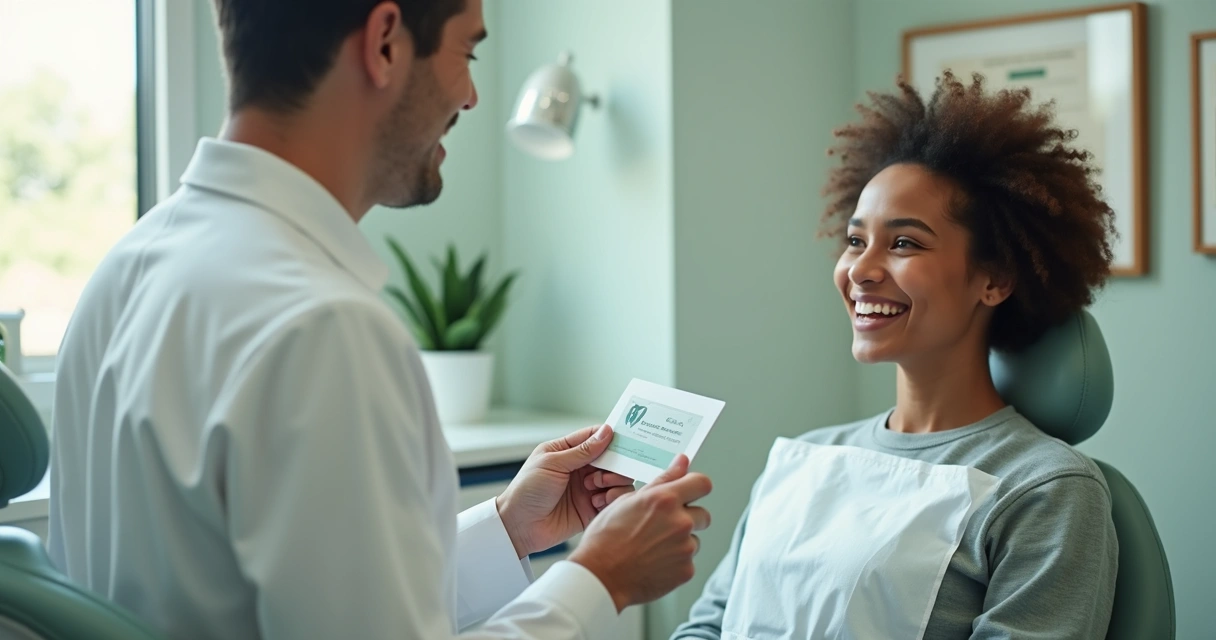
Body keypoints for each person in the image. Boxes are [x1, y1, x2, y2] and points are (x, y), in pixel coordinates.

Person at [47, 1, 713, 638]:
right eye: (467, 53)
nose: (471, 97)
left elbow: (316, 602)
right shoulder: (326, 329)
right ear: (386, 43)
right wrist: (601, 577)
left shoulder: (123, 272)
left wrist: (509, 528)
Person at [671, 72, 1119, 639]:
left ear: (995, 279)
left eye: (904, 242)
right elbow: (707, 627)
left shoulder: (1044, 489)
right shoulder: (806, 457)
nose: (860, 269)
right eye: (856, 241)